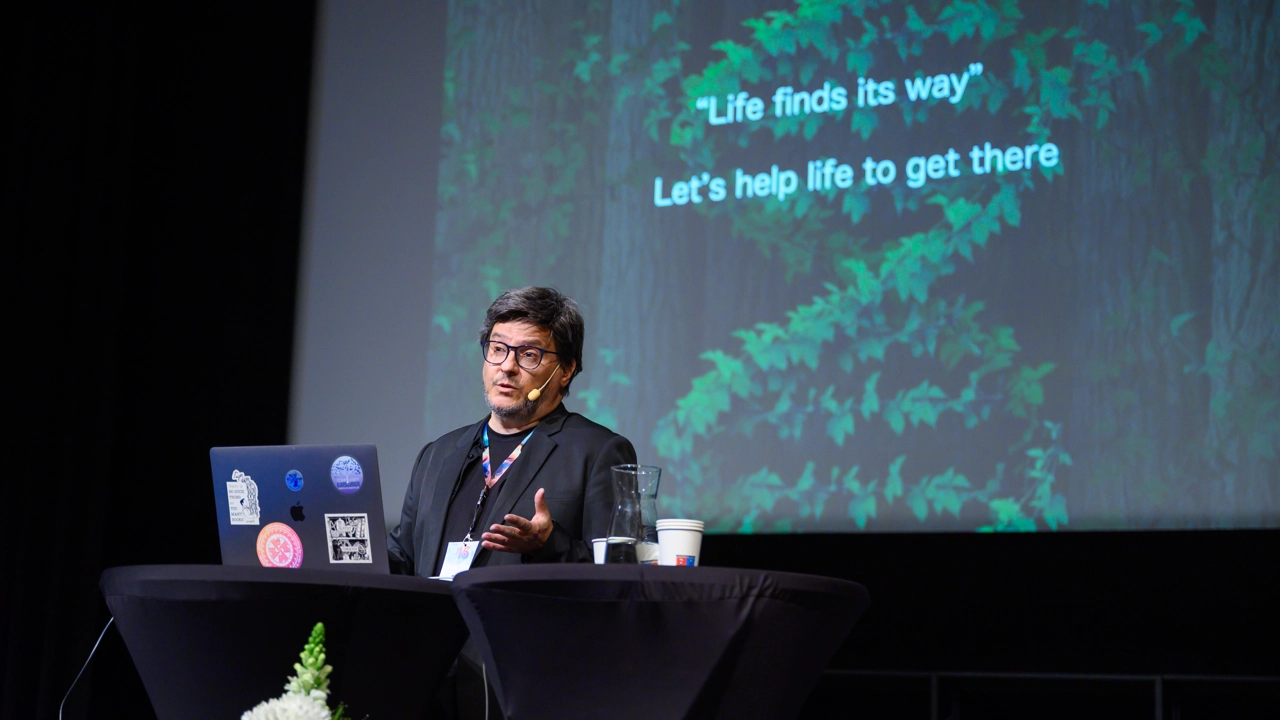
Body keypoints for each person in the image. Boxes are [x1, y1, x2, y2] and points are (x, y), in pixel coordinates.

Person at [388, 285, 637, 575]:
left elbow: (619, 571)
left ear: (566, 370)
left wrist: (547, 544)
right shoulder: (437, 454)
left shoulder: (597, 453)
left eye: (528, 355)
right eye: (497, 349)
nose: (506, 366)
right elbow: (403, 557)